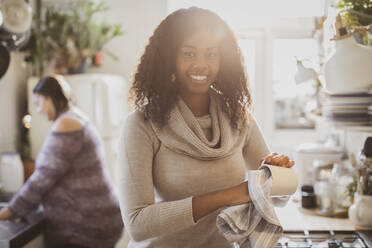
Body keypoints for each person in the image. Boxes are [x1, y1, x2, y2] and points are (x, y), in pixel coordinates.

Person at [118, 7, 294, 248]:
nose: (201, 64)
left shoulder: (239, 118)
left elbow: (280, 195)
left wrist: (277, 173)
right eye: (189, 54)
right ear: (169, 57)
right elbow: (138, 225)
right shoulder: (141, 124)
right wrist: (229, 195)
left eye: (211, 54)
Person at [0, 75, 124, 248]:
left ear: (50, 98)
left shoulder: (66, 124)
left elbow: (42, 179)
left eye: (38, 103)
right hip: (99, 217)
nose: (38, 110)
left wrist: (9, 211)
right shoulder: (74, 117)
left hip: (89, 222)